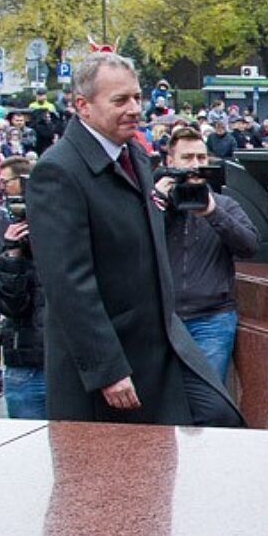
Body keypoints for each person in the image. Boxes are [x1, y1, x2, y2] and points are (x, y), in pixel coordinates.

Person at [25, 52, 242, 427]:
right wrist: (106, 369)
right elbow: (67, 284)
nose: (134, 109)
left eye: (137, 97)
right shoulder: (58, 171)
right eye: (120, 100)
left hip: (160, 341)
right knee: (120, 460)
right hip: (111, 356)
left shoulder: (135, 155)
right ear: (83, 106)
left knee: (219, 416)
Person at [155, 126, 257, 383]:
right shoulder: (156, 204)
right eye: (187, 158)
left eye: (201, 157)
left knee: (209, 396)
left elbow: (249, 246)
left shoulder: (224, 204)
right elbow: (130, 243)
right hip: (164, 319)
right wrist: (155, 203)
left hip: (212, 320)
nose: (195, 165)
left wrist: (213, 213)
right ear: (170, 162)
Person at [0, 156, 45, 418]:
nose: (3, 189)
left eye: (6, 182)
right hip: (26, 359)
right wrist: (11, 253)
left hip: (62, 363)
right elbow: (10, 304)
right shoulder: (9, 231)